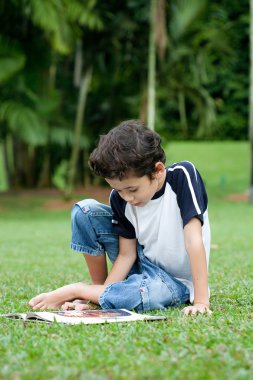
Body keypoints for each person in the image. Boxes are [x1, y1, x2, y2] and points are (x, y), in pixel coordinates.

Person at [29, 120, 211, 316]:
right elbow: (126, 255)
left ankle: (80, 290)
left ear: (158, 171)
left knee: (143, 295)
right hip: (140, 262)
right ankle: (98, 291)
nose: (127, 197)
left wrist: (201, 301)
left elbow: (193, 240)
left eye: (132, 189)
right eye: (119, 190)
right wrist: (102, 296)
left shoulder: (183, 176)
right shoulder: (119, 198)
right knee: (85, 211)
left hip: (174, 282)